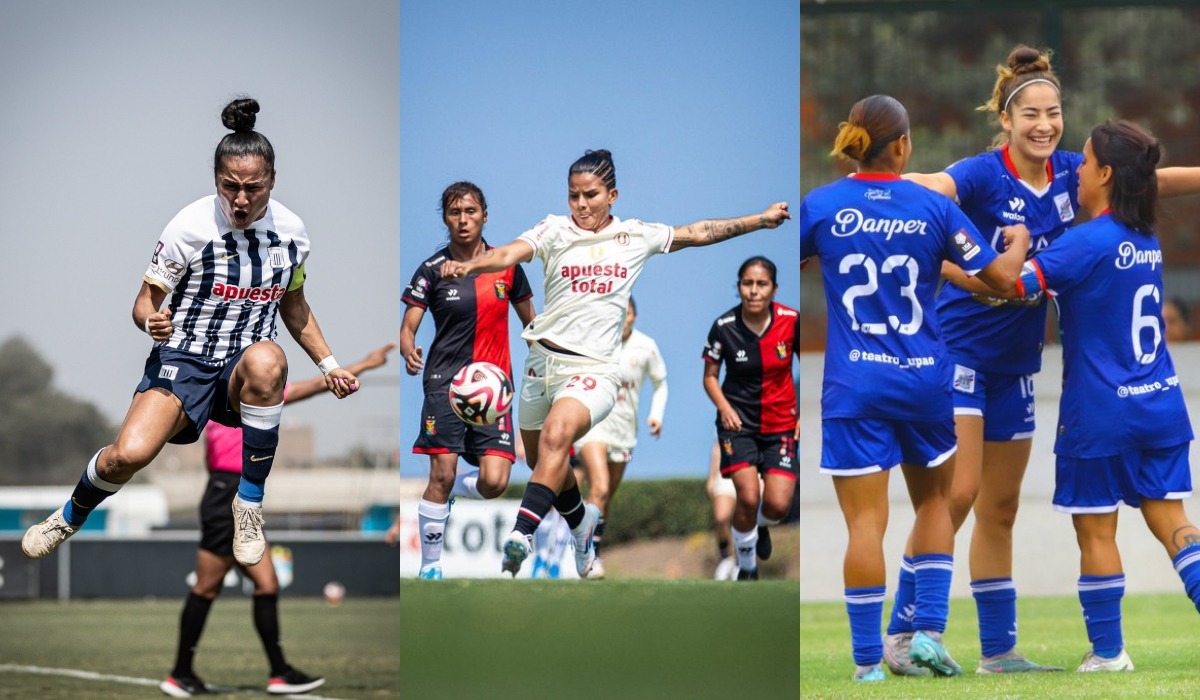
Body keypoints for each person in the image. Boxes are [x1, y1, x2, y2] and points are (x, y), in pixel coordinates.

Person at [895, 44, 1200, 675]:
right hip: (960, 355)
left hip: (1017, 363)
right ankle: (908, 630)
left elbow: (1148, 179)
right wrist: (878, 187)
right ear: (1006, 120)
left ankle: (999, 652)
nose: (1045, 125)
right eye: (1030, 113)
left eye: (1054, 112)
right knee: (961, 493)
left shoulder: (1072, 172)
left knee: (1000, 508)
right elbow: (934, 188)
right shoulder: (982, 174)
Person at [21, 97, 360, 569]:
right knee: (128, 456)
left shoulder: (293, 234)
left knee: (268, 359)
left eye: (253, 188)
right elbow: (145, 302)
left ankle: (250, 505)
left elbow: (295, 306)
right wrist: (150, 320)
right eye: (230, 187)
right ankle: (69, 515)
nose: (241, 200)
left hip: (243, 367)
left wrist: (330, 365)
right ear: (216, 181)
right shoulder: (190, 225)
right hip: (185, 359)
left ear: (273, 182)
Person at [440, 148, 789, 578]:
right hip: (540, 364)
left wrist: (760, 219)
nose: (582, 205)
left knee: (557, 436)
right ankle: (582, 525)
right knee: (544, 462)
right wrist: (473, 264)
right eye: (574, 196)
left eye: (591, 195)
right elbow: (508, 253)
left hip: (594, 370)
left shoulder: (634, 236)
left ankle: (521, 535)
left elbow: (699, 232)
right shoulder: (553, 229)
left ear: (613, 195)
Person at [800, 94, 1029, 681]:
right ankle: (927, 632)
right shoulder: (932, 208)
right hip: (925, 383)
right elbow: (1005, 281)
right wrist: (1019, 241)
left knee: (864, 526)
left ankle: (867, 667)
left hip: (854, 385)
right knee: (934, 502)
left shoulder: (822, 205)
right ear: (903, 145)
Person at [1004, 119, 1200, 671]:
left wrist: (992, 250)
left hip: (1099, 413)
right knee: (1175, 523)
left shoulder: (1084, 243)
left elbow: (1013, 286)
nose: (1078, 171)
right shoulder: (1145, 237)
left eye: (1086, 163)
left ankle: (1110, 652)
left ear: (1107, 174)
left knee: (1094, 526)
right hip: (1160, 403)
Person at [162, 344, 395, 698]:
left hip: (224, 493)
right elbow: (310, 387)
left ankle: (196, 673)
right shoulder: (219, 395)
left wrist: (365, 365)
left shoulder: (231, 394)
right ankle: (267, 673)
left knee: (227, 586)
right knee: (247, 585)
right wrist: (365, 364)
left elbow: (314, 386)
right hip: (228, 494)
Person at [400, 181, 536, 580]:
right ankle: (430, 567)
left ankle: (454, 495)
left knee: (494, 482)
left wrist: (545, 363)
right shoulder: (431, 269)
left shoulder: (507, 265)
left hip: (495, 391)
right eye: (455, 213)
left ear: (484, 216)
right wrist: (408, 347)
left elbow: (532, 323)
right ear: (445, 218)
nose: (463, 220)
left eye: (471, 211)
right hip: (445, 385)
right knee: (440, 474)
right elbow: (409, 327)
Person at [702, 256, 798, 581]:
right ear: (739, 286)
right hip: (738, 425)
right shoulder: (724, 327)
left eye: (761, 284)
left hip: (781, 424)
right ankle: (747, 568)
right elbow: (710, 377)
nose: (753, 291)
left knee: (777, 506)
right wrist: (725, 408)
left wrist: (802, 415)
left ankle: (761, 525)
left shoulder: (791, 321)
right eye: (747, 283)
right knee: (747, 495)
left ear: (774, 289)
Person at [573, 297, 668, 579]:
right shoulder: (596, 341)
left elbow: (661, 383)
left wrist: (657, 415)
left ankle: (590, 546)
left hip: (625, 432)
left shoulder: (646, 346)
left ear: (633, 316)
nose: (621, 317)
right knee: (599, 487)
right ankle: (587, 555)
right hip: (594, 427)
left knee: (605, 498)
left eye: (626, 312)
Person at [706, 440, 738, 581]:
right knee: (721, 517)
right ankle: (726, 557)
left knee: (746, 519)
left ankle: (742, 561)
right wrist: (712, 476)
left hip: (753, 464)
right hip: (728, 468)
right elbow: (719, 443)